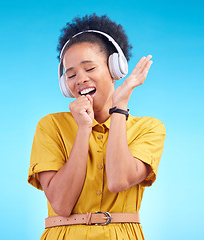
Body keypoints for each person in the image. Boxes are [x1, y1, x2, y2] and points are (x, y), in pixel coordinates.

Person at [28, 13, 166, 240]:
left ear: (115, 69)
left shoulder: (149, 128)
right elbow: (61, 205)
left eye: (90, 69)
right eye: (70, 74)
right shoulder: (51, 126)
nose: (80, 79)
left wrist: (119, 108)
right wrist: (83, 129)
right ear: (64, 84)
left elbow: (118, 180)